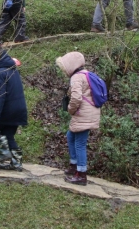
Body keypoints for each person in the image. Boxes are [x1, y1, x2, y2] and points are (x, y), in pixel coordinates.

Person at [56, 51, 100, 186]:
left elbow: (76, 98)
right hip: (88, 113)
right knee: (70, 136)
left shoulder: (76, 77)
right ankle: (74, 166)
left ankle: (81, 175)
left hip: (83, 114)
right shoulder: (85, 74)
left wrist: (70, 109)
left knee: (80, 143)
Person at [0, 46, 28, 171]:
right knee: (8, 135)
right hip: (19, 109)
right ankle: (16, 163)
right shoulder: (13, 69)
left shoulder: (0, 72)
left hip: (8, 109)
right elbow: (8, 89)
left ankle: (4, 152)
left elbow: (1, 96)